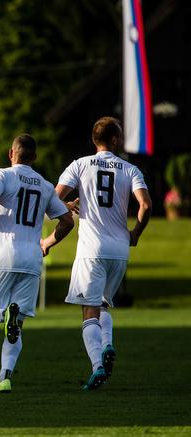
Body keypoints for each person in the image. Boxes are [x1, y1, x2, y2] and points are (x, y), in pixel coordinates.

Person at [0, 134, 74, 394]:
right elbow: (67, 221)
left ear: (10, 153)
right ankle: (4, 377)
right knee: (17, 325)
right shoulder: (46, 186)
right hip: (32, 259)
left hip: (3, 255)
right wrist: (47, 243)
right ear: (34, 158)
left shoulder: (1, 175)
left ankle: (4, 315)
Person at [54, 116, 151, 390]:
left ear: (94, 140)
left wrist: (68, 205)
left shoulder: (80, 164)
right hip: (119, 250)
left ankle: (97, 366)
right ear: (116, 140)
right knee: (104, 304)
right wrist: (135, 234)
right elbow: (146, 204)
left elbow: (53, 196)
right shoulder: (130, 169)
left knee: (89, 310)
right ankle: (107, 344)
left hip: (91, 250)